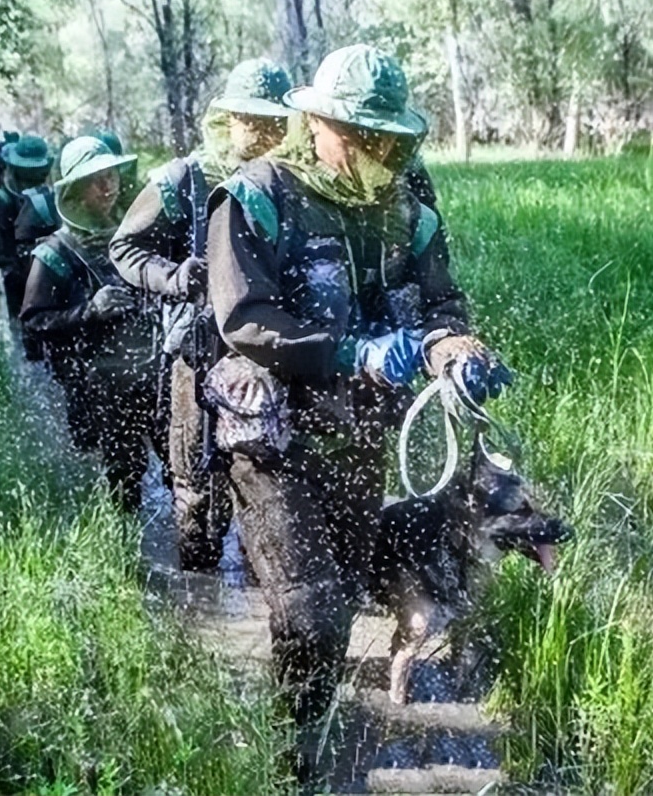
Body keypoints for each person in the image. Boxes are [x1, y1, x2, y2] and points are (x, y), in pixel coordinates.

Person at [203, 44, 511, 775]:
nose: (380, 150)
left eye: (390, 137)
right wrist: (352, 352)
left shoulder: (410, 210)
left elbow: (440, 307)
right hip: (274, 440)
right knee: (307, 612)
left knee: (338, 603)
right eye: (362, 133)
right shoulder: (257, 196)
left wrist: (454, 354)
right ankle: (297, 761)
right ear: (317, 123)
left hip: (362, 437)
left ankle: (312, 733)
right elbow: (243, 316)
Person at [111, 58, 293, 572]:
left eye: (272, 124)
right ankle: (200, 594)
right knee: (192, 476)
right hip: (197, 351)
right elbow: (125, 248)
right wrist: (172, 276)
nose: (259, 134)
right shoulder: (182, 180)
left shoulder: (288, 185)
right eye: (248, 121)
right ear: (228, 119)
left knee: (265, 475)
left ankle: (267, 593)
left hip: (264, 356)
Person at [20, 134, 158, 511]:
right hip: (101, 384)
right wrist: (89, 311)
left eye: (112, 175)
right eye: (97, 179)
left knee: (181, 467)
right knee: (124, 473)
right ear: (76, 190)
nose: (108, 186)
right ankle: (128, 553)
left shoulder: (132, 232)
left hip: (152, 372)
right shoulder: (54, 253)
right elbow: (33, 319)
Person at [0, 135, 55, 321]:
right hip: (18, 272)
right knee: (20, 320)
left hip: (49, 268)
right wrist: (9, 268)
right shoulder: (5, 199)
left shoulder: (50, 196)